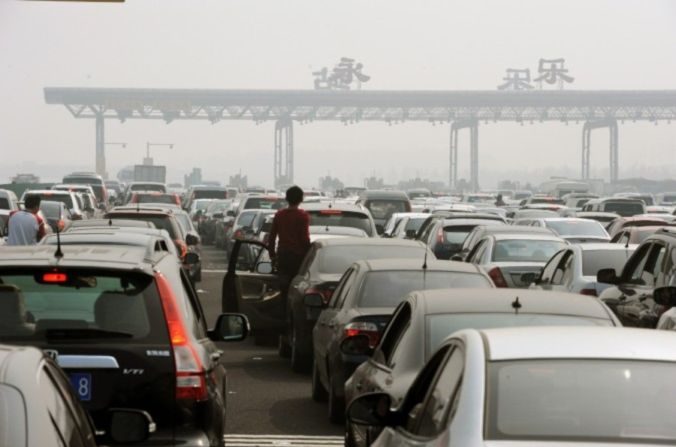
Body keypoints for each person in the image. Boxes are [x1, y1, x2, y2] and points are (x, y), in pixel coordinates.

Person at [268, 186, 311, 280]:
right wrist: (310, 253)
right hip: (297, 257)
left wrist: (272, 255)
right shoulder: (302, 216)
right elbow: (304, 238)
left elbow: (272, 237)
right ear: (301, 199)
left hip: (282, 255)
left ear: (287, 199)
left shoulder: (279, 215)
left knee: (283, 283)